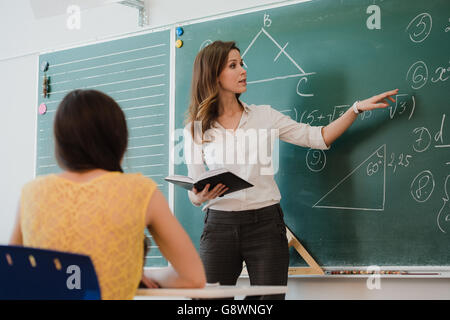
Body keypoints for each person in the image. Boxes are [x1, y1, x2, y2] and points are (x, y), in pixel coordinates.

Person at [184, 40, 398, 299]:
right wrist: (199, 195)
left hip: (265, 226)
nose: (243, 70)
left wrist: (355, 109)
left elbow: (318, 137)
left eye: (242, 63)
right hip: (219, 226)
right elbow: (194, 191)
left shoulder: (264, 116)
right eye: (233, 65)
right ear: (213, 75)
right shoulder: (196, 128)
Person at [9, 89, 206, 300]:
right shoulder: (140, 191)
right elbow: (192, 277)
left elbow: (12, 273)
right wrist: (133, 274)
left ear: (60, 142)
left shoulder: (31, 194)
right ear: (118, 139)